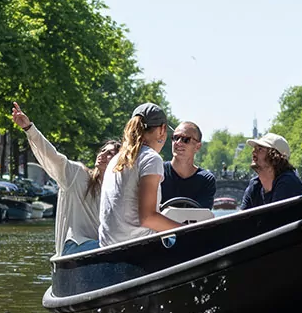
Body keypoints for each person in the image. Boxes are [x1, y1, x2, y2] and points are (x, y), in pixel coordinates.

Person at [12, 102, 119, 256]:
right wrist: (29, 129)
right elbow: (52, 156)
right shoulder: (76, 174)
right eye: (102, 150)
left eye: (110, 154)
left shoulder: (116, 190)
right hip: (73, 247)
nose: (102, 154)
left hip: (101, 250)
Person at [99, 102, 181, 246]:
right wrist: (188, 230)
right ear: (162, 130)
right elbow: (148, 218)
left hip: (107, 248)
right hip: (137, 250)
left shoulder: (116, 159)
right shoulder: (151, 158)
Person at [239, 133, 302, 209]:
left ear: (275, 158)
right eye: (254, 149)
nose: (253, 152)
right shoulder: (255, 185)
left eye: (260, 149)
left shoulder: (287, 182)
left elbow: (274, 219)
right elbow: (239, 219)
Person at [162, 121, 216, 209]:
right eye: (175, 138)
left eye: (185, 139)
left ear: (198, 147)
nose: (178, 142)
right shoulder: (158, 171)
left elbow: (202, 216)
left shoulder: (206, 180)